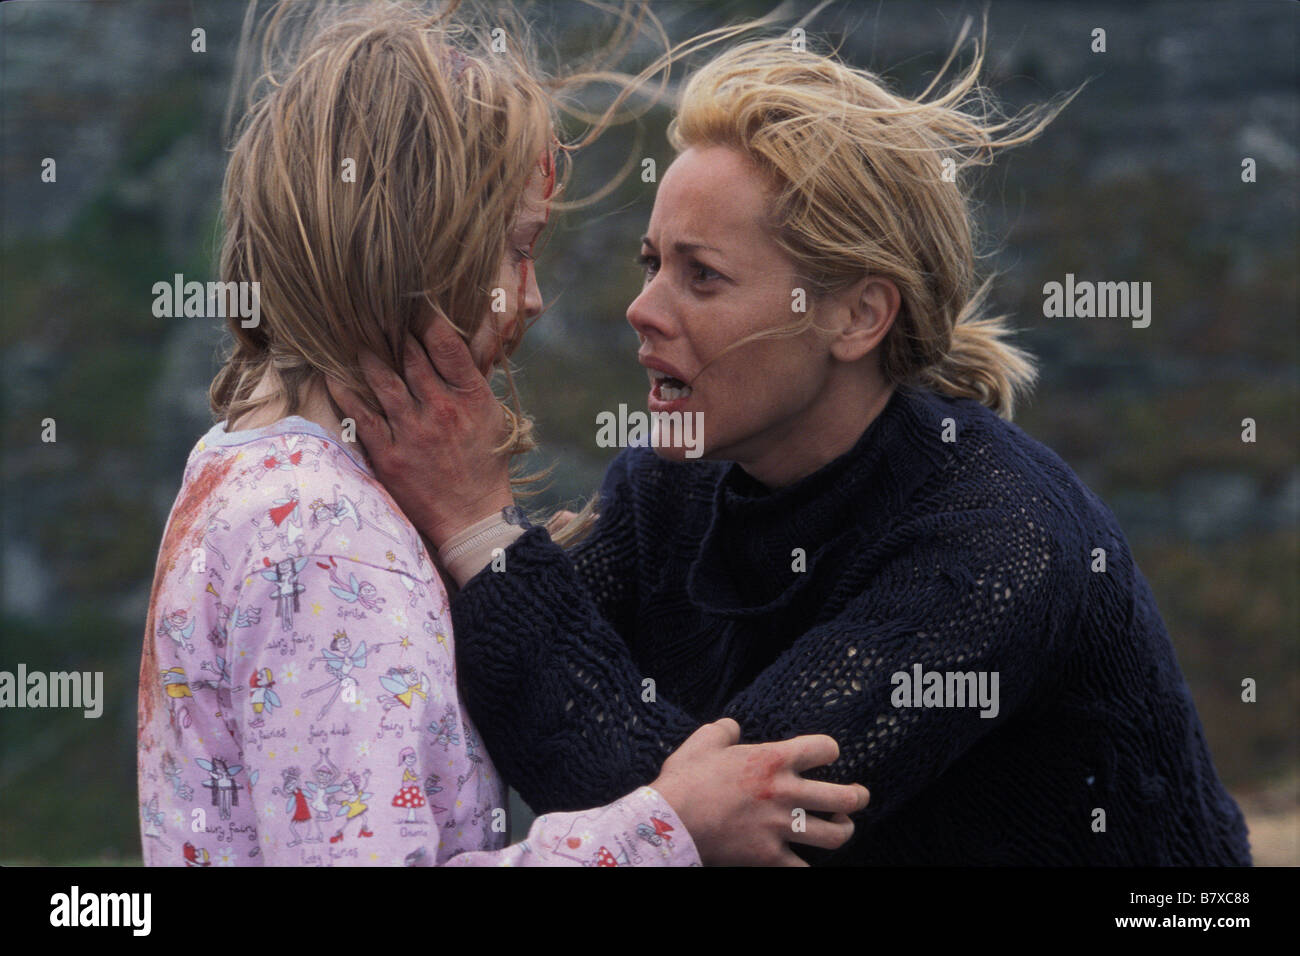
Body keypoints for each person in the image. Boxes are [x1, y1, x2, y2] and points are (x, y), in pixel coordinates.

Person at [334, 29, 1254, 865]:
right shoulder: (671, 486)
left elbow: (713, 832)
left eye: (702, 276)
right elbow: (531, 687)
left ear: (857, 316)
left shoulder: (997, 542)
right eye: (652, 264)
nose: (642, 310)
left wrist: (479, 527)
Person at [136, 0, 868, 868]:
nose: (533, 297)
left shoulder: (236, 467)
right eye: (518, 249)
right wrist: (666, 827)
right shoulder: (325, 536)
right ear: (418, 247)